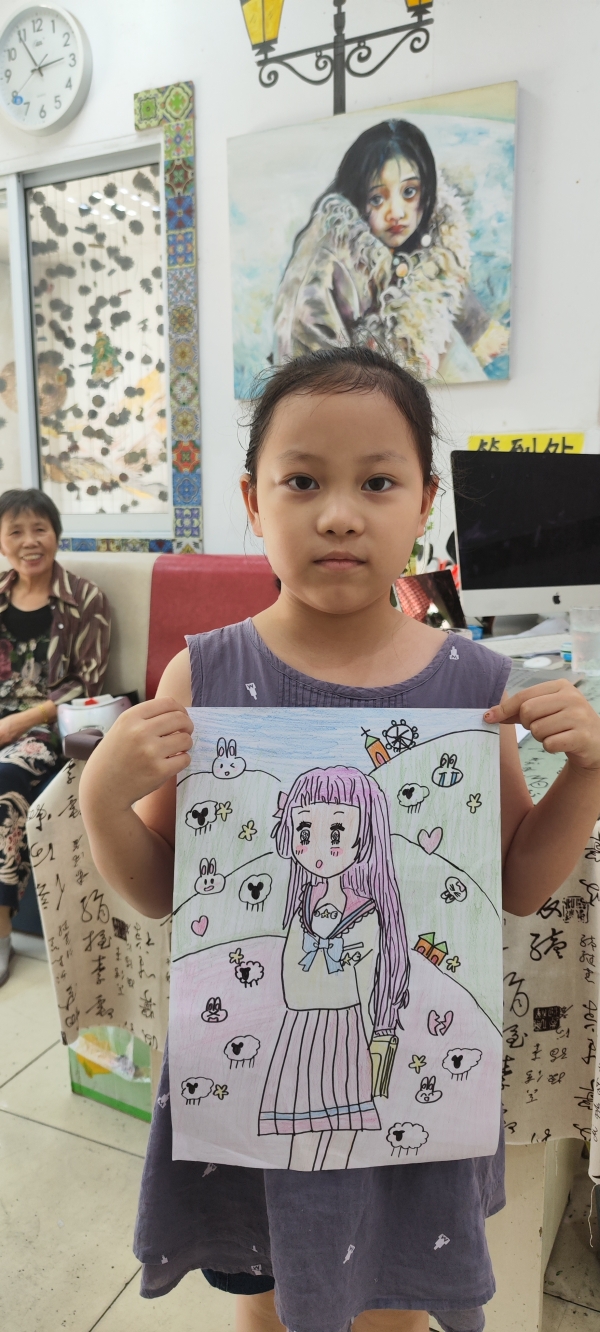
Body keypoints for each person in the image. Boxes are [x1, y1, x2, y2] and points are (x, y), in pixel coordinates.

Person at [80, 348, 600, 1332]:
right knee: (263, 1298)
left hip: (403, 1100)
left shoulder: (473, 686)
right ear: (253, 500)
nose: (339, 514)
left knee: (393, 1303)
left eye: (378, 482)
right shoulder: (203, 678)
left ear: (426, 503)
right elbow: (159, 891)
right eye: (303, 481)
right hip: (251, 1092)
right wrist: (103, 797)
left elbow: (518, 884)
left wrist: (587, 774)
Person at [273, 119, 509, 383]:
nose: (396, 213)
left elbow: (453, 297)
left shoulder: (437, 238)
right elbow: (303, 358)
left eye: (409, 192)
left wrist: (479, 334)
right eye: (377, 198)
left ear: (427, 191)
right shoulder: (328, 257)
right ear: (358, 197)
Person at [260, 765, 409, 1170]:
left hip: (346, 1030)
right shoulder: (301, 904)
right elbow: (292, 982)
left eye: (338, 833)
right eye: (305, 831)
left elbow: (368, 980)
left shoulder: (367, 912)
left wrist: (378, 1030)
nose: (318, 848)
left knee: (342, 1128)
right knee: (302, 1131)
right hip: (302, 1029)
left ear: (365, 838)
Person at [0, 488, 110, 985]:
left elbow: (88, 684)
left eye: (39, 529)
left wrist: (17, 723)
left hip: (48, 729)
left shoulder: (85, 599)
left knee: (5, 775)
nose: (30, 541)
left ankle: (1, 931)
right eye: (16, 531)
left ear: (56, 535)